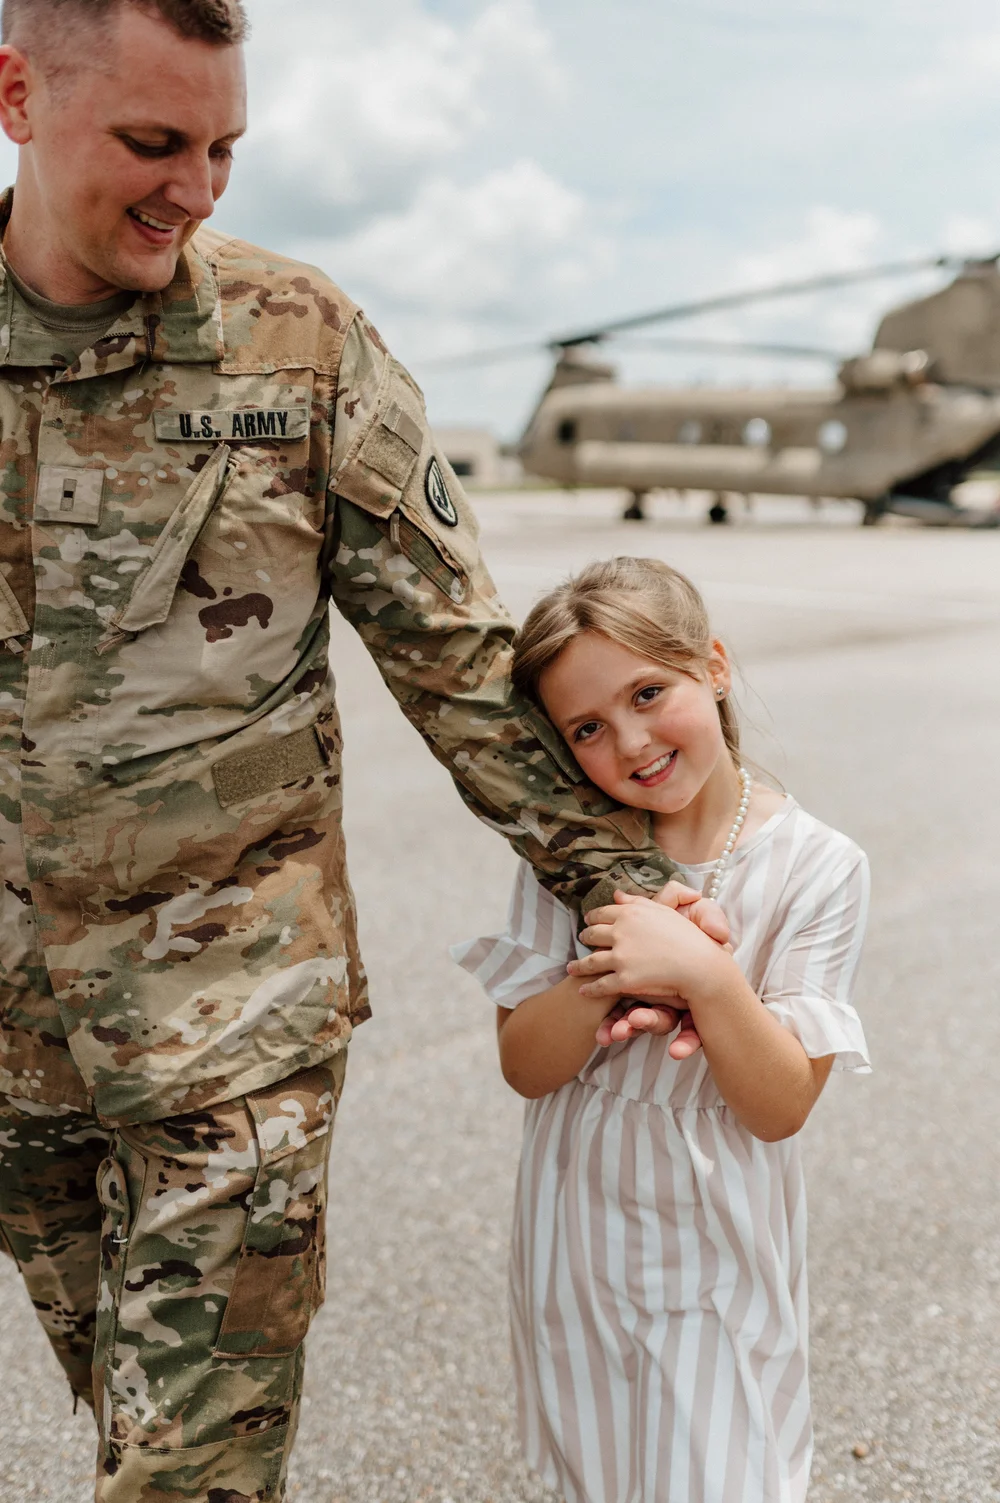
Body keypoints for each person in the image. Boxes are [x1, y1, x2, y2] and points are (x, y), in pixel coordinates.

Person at [0, 5, 682, 1500]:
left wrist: (636, 892)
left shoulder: (298, 348)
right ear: (17, 98)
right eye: (154, 143)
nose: (198, 188)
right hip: (18, 1050)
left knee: (186, 1477)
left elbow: (461, 663)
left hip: (233, 1013)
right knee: (130, 1435)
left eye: (226, 146)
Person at [453, 556, 871, 1503]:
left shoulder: (819, 867)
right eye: (588, 728)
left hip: (721, 1235)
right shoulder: (567, 856)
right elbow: (525, 1062)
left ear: (713, 667)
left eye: (650, 692)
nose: (632, 740)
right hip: (578, 1228)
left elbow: (777, 1106)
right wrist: (610, 967)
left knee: (723, 1471)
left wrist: (705, 977)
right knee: (601, 1473)